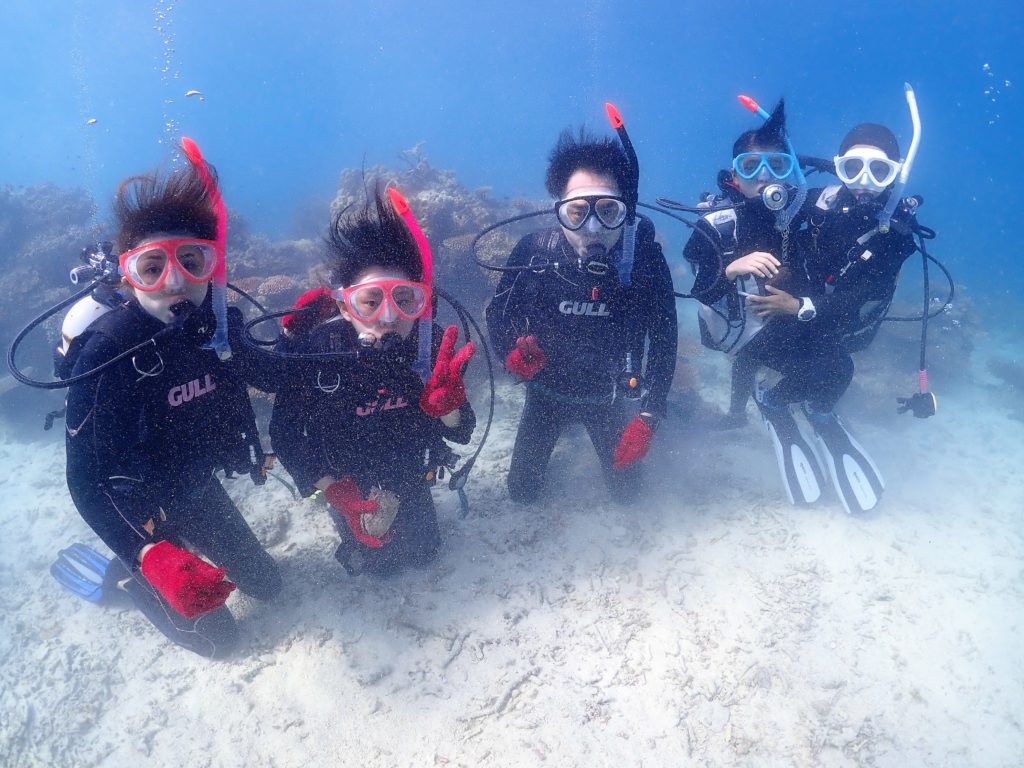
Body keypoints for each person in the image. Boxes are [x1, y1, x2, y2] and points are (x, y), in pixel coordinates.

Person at [62, 147, 281, 659]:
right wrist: (146, 551)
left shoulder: (220, 327)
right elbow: (84, 478)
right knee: (220, 641)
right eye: (151, 266)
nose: (176, 280)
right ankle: (127, 578)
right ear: (127, 275)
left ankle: (152, 559)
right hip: (142, 507)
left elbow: (276, 375)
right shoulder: (109, 349)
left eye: (191, 260)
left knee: (270, 586)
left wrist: (323, 338)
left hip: (196, 485)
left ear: (213, 265)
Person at [270, 188, 476, 577]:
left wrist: (449, 409)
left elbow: (463, 432)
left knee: (426, 553)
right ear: (345, 307)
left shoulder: (430, 350)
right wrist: (332, 488)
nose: (387, 316)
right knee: (379, 568)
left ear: (422, 304)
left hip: (408, 465)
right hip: (347, 475)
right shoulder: (321, 349)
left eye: (404, 299)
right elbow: (284, 434)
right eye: (369, 301)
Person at [485, 128, 677, 503]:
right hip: (545, 393)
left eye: (608, 211)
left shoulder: (644, 261)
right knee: (521, 494)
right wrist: (510, 353)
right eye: (577, 212)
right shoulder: (535, 252)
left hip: (605, 399)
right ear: (559, 211)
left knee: (629, 496)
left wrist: (651, 415)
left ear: (627, 211)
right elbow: (498, 315)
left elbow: (665, 338)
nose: (592, 228)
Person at [743, 122, 920, 514]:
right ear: (838, 167)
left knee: (838, 368)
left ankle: (813, 408)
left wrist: (799, 306)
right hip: (792, 318)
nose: (864, 183)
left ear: (895, 173)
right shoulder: (817, 201)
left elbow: (864, 295)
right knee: (829, 367)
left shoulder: (897, 233)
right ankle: (775, 402)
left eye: (879, 171)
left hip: (836, 322)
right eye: (853, 168)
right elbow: (759, 206)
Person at [683, 99, 820, 429]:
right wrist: (730, 269)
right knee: (748, 356)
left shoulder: (802, 211)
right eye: (749, 167)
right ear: (734, 176)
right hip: (742, 324)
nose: (762, 176)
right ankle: (740, 413)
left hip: (790, 313)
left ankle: (781, 399)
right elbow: (700, 292)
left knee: (817, 359)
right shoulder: (716, 223)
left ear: (789, 172)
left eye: (776, 165)